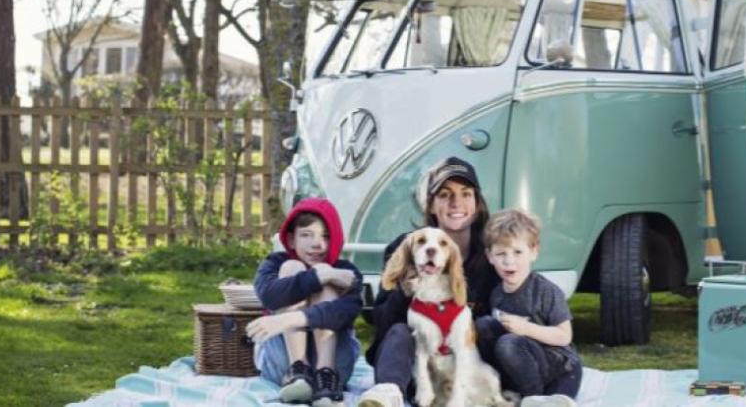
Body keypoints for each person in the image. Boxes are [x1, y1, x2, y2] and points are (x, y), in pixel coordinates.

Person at [358, 157, 501, 407]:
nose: (456, 202)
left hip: (464, 364)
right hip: (412, 366)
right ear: (431, 205)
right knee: (400, 332)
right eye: (445, 195)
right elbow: (382, 321)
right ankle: (388, 393)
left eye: (465, 194)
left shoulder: (491, 254)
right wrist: (404, 291)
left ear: (477, 204)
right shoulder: (405, 247)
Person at [248, 197, 363, 407]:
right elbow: (269, 296)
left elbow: (345, 312)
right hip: (281, 363)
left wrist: (291, 318)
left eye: (326, 236)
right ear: (291, 240)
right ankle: (298, 370)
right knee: (292, 268)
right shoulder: (274, 262)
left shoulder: (347, 271)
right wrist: (318, 276)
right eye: (306, 235)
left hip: (337, 366)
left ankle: (324, 376)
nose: (317, 244)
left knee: (330, 282)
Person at [477, 209, 583, 407]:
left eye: (518, 252)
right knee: (483, 326)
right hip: (522, 365)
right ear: (490, 256)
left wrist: (526, 329)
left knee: (509, 343)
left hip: (561, 368)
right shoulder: (497, 294)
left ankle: (533, 397)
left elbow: (564, 336)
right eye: (501, 253)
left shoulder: (545, 291)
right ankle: (496, 388)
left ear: (533, 251)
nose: (509, 261)